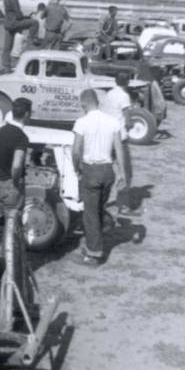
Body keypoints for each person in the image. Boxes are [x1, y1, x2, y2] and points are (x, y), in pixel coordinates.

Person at [0, 98, 32, 328]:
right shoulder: (21, 138)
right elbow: (17, 165)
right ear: (28, 114)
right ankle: (13, 286)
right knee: (13, 236)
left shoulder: (1, 131)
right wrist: (15, 182)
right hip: (13, 188)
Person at [72, 89, 126, 266]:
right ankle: (94, 242)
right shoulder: (112, 122)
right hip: (108, 170)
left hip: (91, 170)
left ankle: (93, 254)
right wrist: (122, 173)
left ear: (84, 104)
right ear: (98, 102)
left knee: (90, 214)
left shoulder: (81, 122)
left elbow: (76, 150)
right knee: (100, 209)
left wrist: (76, 168)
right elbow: (119, 149)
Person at [100, 72, 133, 201]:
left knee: (107, 169)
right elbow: (128, 119)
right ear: (128, 82)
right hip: (120, 138)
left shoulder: (109, 94)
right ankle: (122, 202)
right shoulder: (124, 96)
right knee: (125, 171)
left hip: (107, 136)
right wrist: (130, 126)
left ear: (115, 81)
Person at [0, 0, 39, 73]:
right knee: (34, 23)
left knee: (7, 47)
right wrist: (24, 18)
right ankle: (30, 41)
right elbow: (18, 13)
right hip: (14, 23)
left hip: (8, 24)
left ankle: (6, 66)